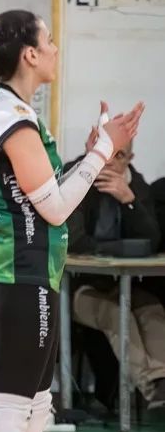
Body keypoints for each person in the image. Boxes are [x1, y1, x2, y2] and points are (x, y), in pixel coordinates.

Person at [0, 9, 144, 432]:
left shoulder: (7, 109)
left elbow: (43, 193)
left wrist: (94, 150)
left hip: (25, 274)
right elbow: (57, 210)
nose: (55, 48)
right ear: (30, 55)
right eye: (49, 41)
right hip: (19, 275)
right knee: (6, 417)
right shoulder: (11, 116)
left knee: (35, 410)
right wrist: (105, 148)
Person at [65, 137, 165, 408]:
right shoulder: (75, 177)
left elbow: (150, 241)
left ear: (129, 159)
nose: (108, 162)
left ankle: (162, 381)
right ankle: (149, 384)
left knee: (151, 309)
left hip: (124, 282)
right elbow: (74, 242)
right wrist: (121, 248)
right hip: (77, 285)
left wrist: (129, 201)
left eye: (118, 155)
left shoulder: (137, 183)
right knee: (117, 313)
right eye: (103, 153)